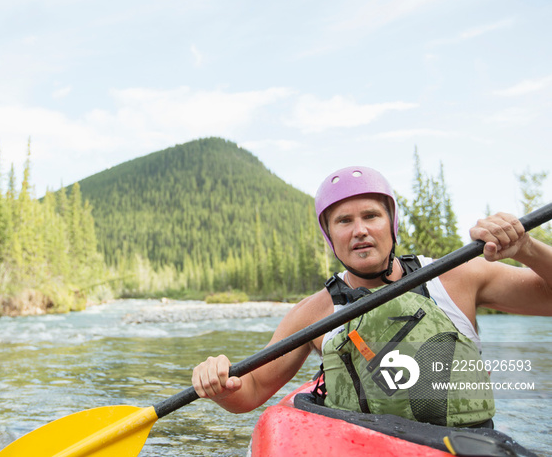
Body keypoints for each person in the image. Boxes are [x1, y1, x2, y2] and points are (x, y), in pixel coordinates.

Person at [191, 166, 552, 427]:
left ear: (391, 223)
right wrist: (220, 385)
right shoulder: (313, 313)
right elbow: (251, 391)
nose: (360, 230)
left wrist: (527, 249)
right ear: (331, 236)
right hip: (364, 446)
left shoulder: (456, 275)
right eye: (344, 221)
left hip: (463, 445)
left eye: (371, 216)